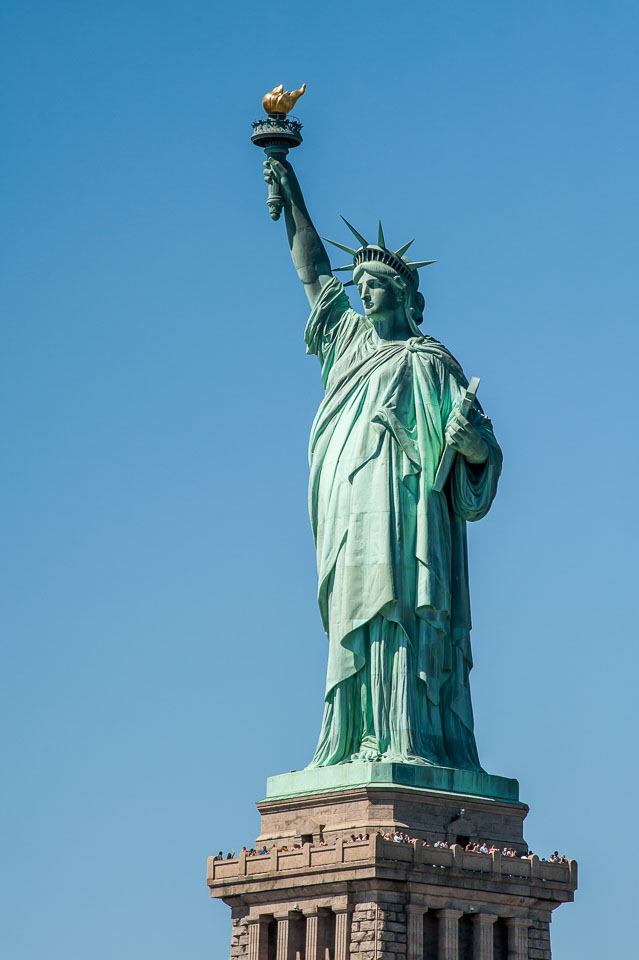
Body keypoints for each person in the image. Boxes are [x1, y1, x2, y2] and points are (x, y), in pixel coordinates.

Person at [264, 158, 502, 771]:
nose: (361, 290)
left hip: (412, 514)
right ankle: (354, 737)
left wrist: (471, 444)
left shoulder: (433, 363)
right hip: (353, 510)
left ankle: (409, 738)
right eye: (360, 282)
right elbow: (314, 273)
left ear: (400, 295)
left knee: (404, 609)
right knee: (358, 609)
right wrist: (290, 191)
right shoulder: (347, 343)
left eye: (373, 284)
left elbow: (481, 464)